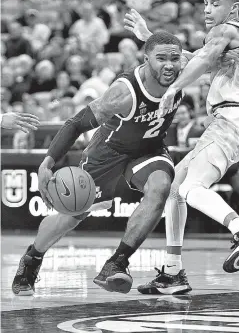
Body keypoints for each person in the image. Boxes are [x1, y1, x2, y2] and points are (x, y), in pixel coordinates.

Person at [124, 0, 239, 295]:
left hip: (231, 120)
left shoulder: (226, 30)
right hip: (236, 123)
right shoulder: (225, 42)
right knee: (175, 188)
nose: (207, 9)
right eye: (205, 3)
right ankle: (173, 272)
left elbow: (202, 62)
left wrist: (175, 88)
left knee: (192, 187)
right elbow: (198, 58)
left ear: (233, 7)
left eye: (215, 3)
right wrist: (148, 36)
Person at [12, 32, 185, 296]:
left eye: (175, 58)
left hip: (149, 150)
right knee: (71, 216)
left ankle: (116, 263)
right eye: (161, 58)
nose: (169, 65)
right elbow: (76, 123)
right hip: (108, 154)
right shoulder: (124, 92)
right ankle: (32, 258)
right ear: (146, 58)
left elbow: (217, 54)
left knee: (161, 187)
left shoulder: (186, 71)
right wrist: (47, 163)